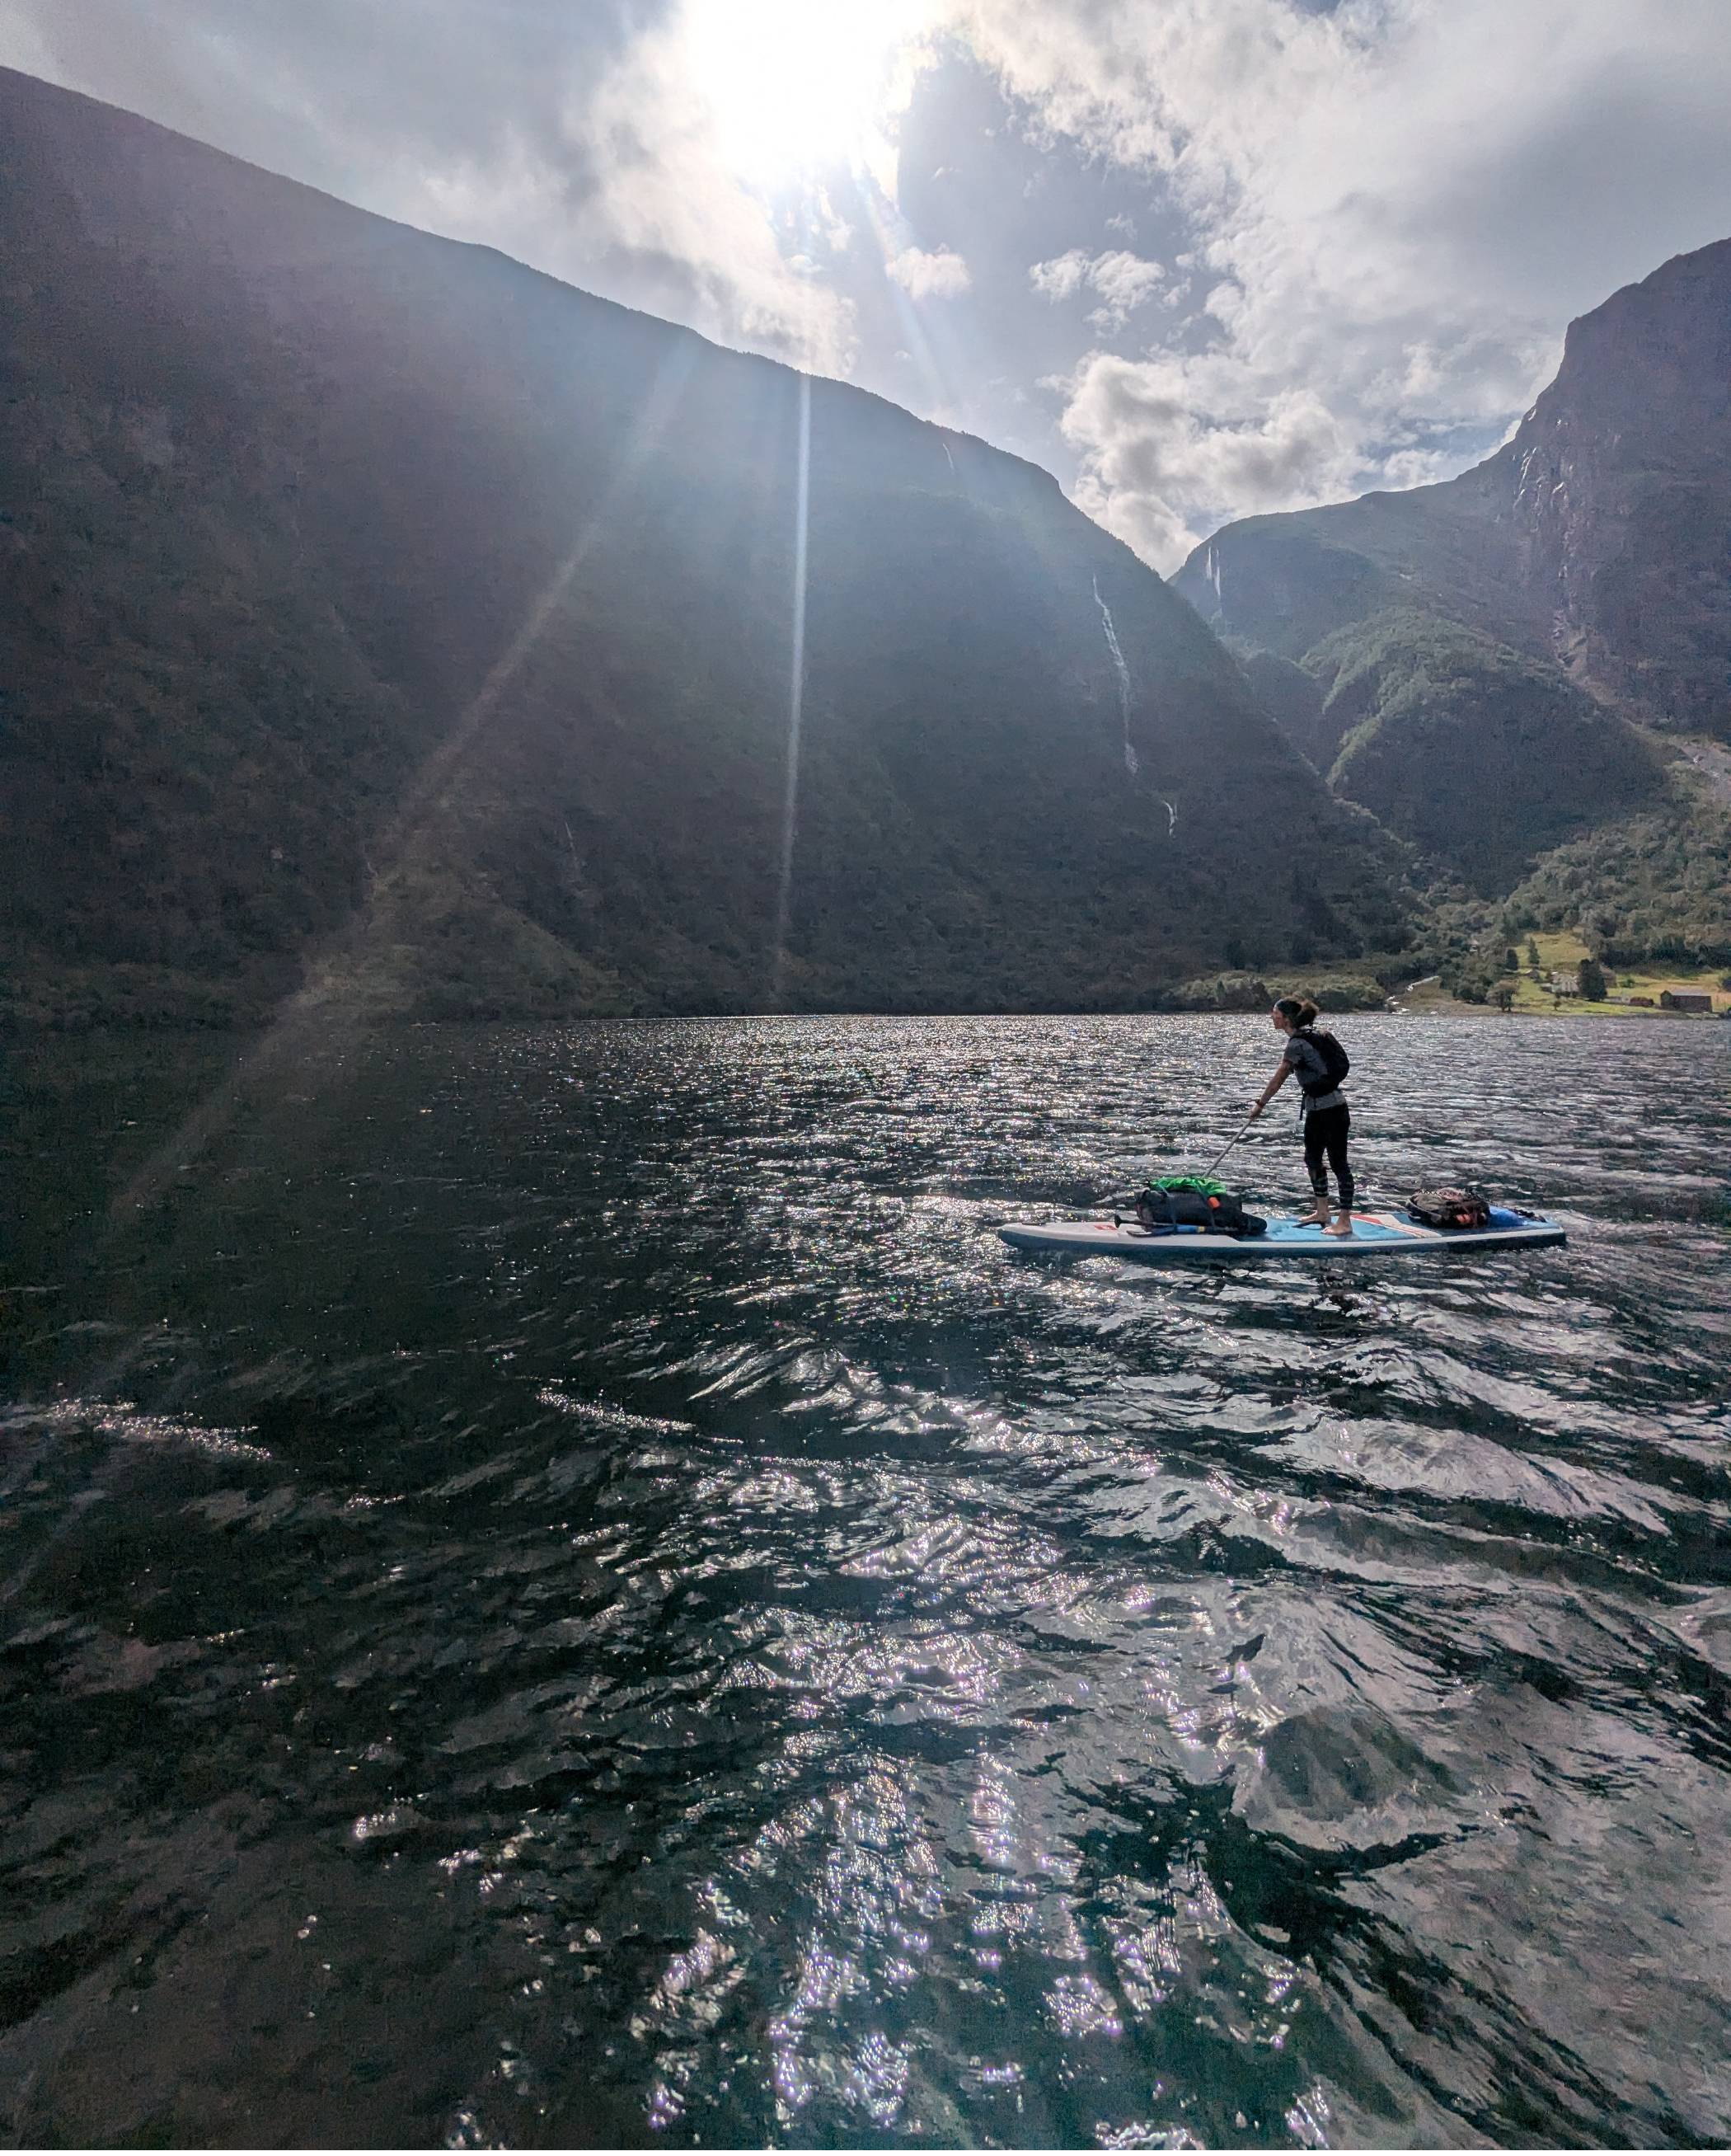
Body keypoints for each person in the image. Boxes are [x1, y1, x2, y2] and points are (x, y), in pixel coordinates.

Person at [1248, 996, 1355, 1236]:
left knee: (1338, 1163)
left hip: (1332, 1110)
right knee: (1312, 1158)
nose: (1272, 1017)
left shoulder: (1297, 1044)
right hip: (1316, 1109)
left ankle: (1345, 1221)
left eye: (1275, 1013)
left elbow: (1280, 1077)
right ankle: (1323, 1212)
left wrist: (1260, 1105)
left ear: (1286, 1019)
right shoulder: (1308, 1037)